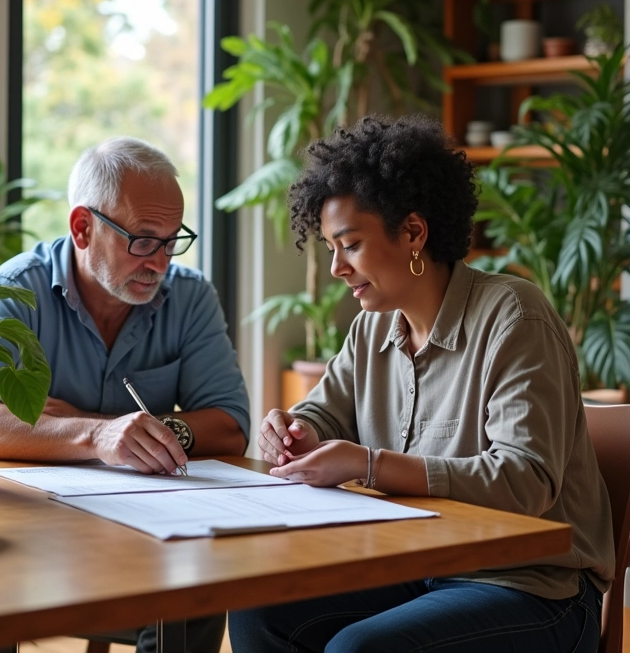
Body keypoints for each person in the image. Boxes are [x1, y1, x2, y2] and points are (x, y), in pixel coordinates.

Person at [228, 114, 614, 653]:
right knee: (256, 613)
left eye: (351, 244)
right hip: (420, 569)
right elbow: (323, 415)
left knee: (361, 649)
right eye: (330, 248)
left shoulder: (514, 317)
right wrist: (291, 430)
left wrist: (369, 465)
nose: (337, 267)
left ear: (413, 232)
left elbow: (525, 480)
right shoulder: (374, 327)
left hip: (531, 587)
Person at [0, 136, 250, 653]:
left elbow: (230, 425)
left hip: (145, 530)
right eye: (143, 240)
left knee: (200, 593)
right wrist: (99, 433)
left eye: (172, 241)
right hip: (30, 529)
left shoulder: (190, 298)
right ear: (82, 227)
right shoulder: (12, 295)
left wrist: (122, 432)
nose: (160, 263)